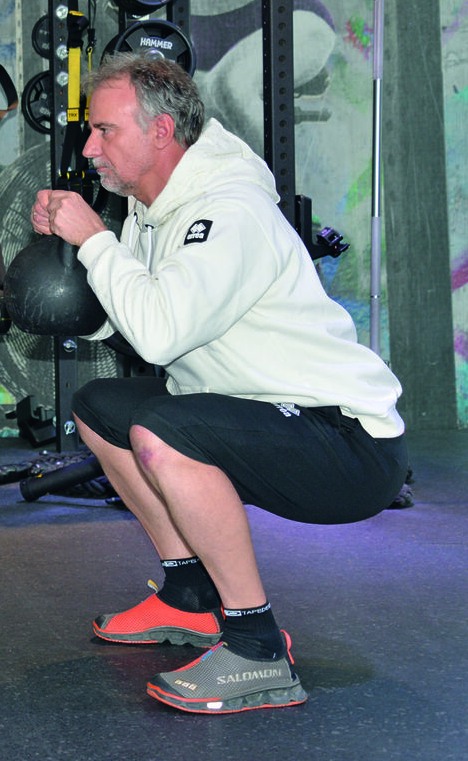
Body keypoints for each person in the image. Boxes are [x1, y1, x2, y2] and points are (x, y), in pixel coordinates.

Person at [30, 53, 407, 714]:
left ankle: (258, 647)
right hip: (259, 411)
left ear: (161, 133)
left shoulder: (228, 212)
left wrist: (93, 241)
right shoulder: (152, 208)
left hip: (345, 441)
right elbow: (138, 318)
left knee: (162, 432)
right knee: (100, 407)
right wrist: (68, 286)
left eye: (104, 131)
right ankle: (190, 596)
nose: (88, 147)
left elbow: (160, 335)